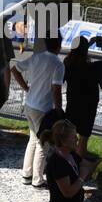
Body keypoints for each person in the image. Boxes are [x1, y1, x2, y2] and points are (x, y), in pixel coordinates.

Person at [12, 37, 64, 187]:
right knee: (43, 144)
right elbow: (56, 90)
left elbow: (14, 70)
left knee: (33, 139)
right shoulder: (58, 64)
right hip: (43, 108)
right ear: (59, 45)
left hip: (29, 104)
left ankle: (26, 174)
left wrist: (26, 89)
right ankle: (37, 179)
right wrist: (59, 110)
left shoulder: (36, 57)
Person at [63, 35, 102, 158]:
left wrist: (87, 45)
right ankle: (77, 164)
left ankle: (65, 160)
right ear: (85, 50)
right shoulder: (93, 67)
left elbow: (75, 54)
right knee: (83, 138)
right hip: (88, 107)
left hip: (73, 104)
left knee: (68, 135)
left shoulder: (68, 64)